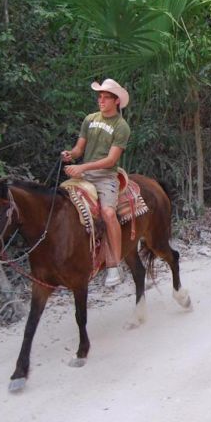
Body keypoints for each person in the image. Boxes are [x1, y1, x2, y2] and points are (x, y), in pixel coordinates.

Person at [61, 78, 131, 288]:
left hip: (105, 176)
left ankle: (114, 264)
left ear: (116, 101)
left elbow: (111, 160)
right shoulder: (89, 119)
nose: (100, 100)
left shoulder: (121, 126)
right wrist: (70, 155)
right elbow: (79, 150)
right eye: (99, 96)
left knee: (108, 213)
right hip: (84, 174)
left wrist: (82, 167)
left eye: (105, 97)